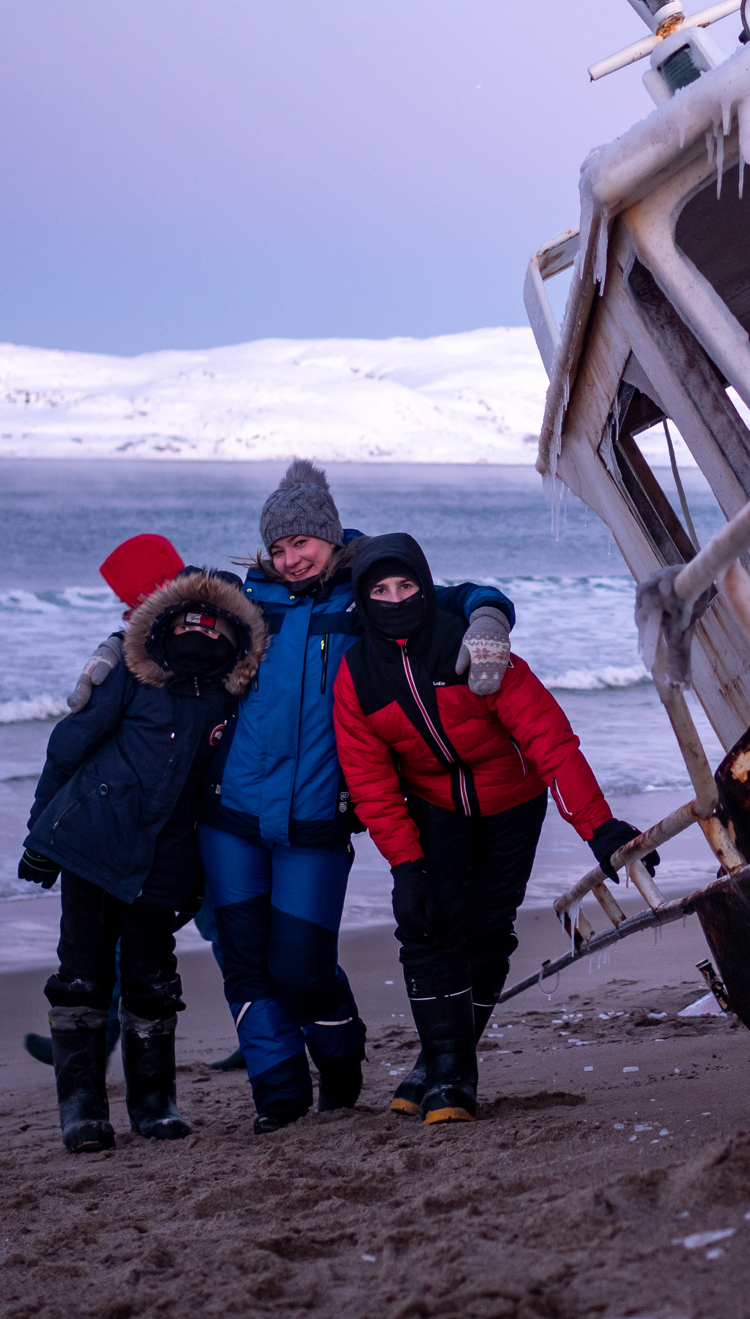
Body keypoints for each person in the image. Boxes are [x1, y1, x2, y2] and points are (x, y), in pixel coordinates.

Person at [195, 461, 516, 1133]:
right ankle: (277, 1090)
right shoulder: (248, 604)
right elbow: (163, 618)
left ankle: (340, 1057)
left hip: (317, 821)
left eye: (301, 545)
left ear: (330, 537)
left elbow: (455, 596)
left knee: (301, 968)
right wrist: (115, 651)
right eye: (278, 549)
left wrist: (488, 619)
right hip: (231, 816)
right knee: (245, 963)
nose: (289, 560)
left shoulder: (363, 597)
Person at [332, 532, 656, 1125]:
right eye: (380, 590)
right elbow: (371, 781)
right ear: (363, 597)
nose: (396, 598)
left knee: (487, 930)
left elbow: (549, 740)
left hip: (513, 802)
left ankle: (446, 1070)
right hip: (435, 806)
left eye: (406, 585)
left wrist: (599, 827)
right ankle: (444, 1066)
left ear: (425, 586)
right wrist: (405, 866)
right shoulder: (356, 676)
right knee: (427, 925)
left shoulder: (472, 645)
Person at [18, 555, 266, 1153]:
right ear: (164, 620)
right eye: (190, 621)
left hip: (168, 861)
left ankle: (154, 1104)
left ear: (239, 636)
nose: (202, 631)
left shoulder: (238, 698)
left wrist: (205, 876)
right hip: (89, 845)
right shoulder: (132, 673)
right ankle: (82, 1110)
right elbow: (68, 746)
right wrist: (39, 835)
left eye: (217, 625)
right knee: (81, 974)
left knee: (152, 980)